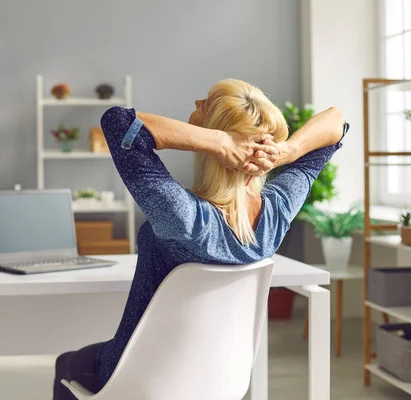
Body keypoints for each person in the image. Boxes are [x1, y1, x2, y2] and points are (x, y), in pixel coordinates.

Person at [53, 78, 347, 399]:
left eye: (205, 104)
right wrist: (287, 152)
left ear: (216, 135)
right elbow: (337, 123)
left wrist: (221, 143)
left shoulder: (186, 219)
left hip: (139, 374)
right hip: (217, 379)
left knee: (66, 363)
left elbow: (117, 121)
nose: (196, 104)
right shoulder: (277, 212)